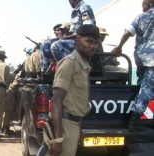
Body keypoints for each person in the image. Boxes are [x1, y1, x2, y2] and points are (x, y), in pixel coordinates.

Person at [49, 25, 100, 156]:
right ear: (77, 40)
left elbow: (76, 101)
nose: (93, 46)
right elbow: (56, 100)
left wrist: (78, 127)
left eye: (96, 43)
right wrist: (58, 139)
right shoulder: (69, 63)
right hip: (64, 126)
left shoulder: (83, 65)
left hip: (73, 125)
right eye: (88, 41)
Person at [111, 0, 154, 132]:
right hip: (152, 59)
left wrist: (119, 47)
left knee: (142, 86)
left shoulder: (141, 16)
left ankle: (137, 114)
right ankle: (134, 120)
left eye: (144, 4)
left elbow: (127, 32)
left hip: (141, 57)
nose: (142, 7)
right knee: (147, 89)